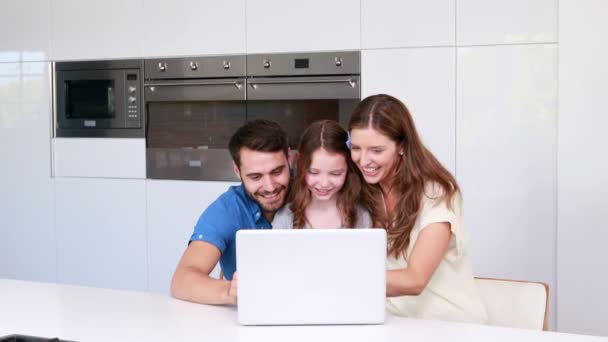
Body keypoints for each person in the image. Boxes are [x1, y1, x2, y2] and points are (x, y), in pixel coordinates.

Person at [348, 94, 488, 324]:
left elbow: (415, 279)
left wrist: (342, 279)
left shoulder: (437, 192)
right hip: (393, 323)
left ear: (402, 146)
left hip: (450, 326)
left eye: (376, 150)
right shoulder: (364, 189)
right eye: (356, 148)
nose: (363, 161)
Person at [171, 119, 291, 305]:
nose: (269, 186)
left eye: (277, 172)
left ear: (289, 159)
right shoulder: (227, 210)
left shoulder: (314, 188)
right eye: (255, 176)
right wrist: (231, 291)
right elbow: (182, 280)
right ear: (237, 171)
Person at [272, 120, 371, 229]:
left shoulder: (361, 217)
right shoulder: (285, 219)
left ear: (348, 167)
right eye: (313, 172)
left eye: (335, 173)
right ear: (300, 163)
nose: (324, 183)